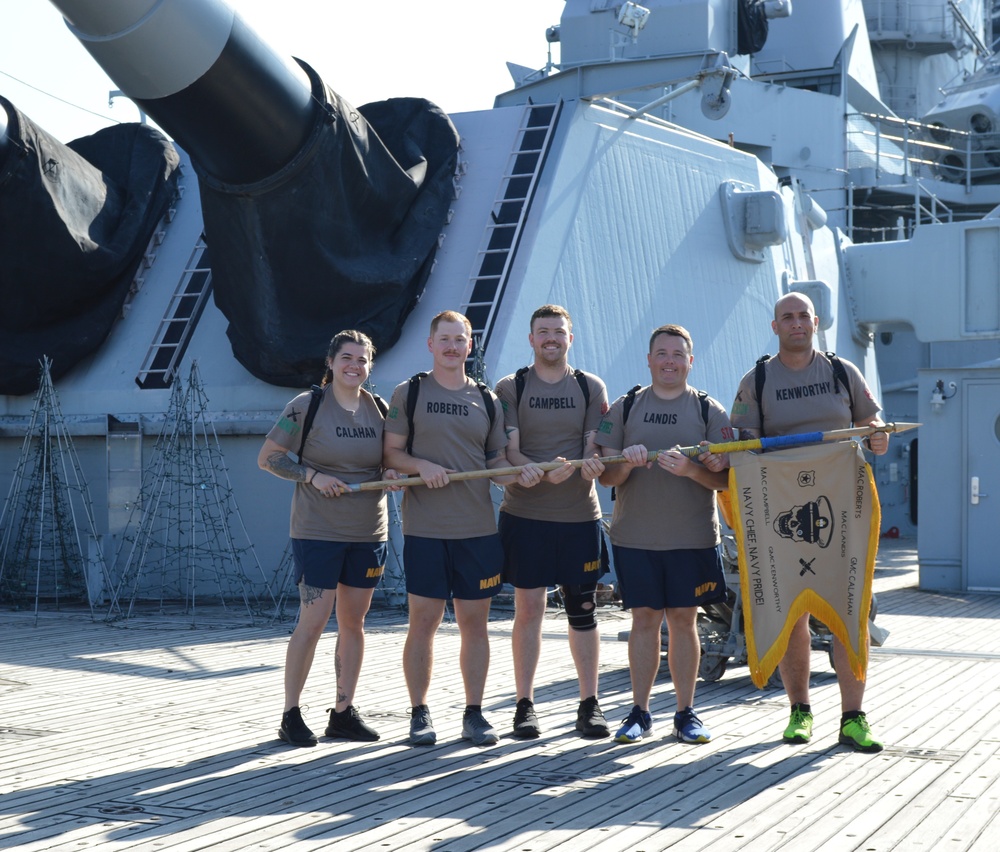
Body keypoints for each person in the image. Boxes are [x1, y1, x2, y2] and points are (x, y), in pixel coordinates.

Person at [730, 292, 889, 753]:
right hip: (782, 508)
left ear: (815, 322)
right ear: (774, 326)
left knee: (849, 608)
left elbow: (871, 421)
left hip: (842, 507)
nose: (796, 323)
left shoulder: (842, 371)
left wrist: (877, 437)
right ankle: (799, 711)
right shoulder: (757, 380)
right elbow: (744, 441)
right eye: (787, 317)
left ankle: (853, 718)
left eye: (803, 316)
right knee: (791, 610)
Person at [383, 310, 542, 746]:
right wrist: (421, 465)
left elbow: (494, 464)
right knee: (424, 622)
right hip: (426, 529)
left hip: (476, 529)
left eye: (461, 340)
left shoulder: (487, 400)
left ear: (470, 346)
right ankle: (419, 714)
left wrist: (519, 476)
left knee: (475, 624)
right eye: (445, 339)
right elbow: (392, 454)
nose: (453, 347)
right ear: (431, 345)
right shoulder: (409, 392)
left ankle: (474, 714)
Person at [258, 330, 397, 747]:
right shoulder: (306, 406)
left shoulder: (381, 409)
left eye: (362, 360)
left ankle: (343, 713)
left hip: (368, 532)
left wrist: (392, 475)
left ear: (370, 367)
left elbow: (390, 464)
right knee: (313, 621)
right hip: (318, 532)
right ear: (332, 362)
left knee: (354, 623)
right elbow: (269, 458)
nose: (355, 366)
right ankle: (290, 714)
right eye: (347, 358)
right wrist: (312, 475)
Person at [595, 324, 731, 745]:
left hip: (691, 538)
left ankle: (686, 713)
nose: (669, 361)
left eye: (678, 354)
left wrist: (692, 468)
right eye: (662, 353)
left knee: (684, 621)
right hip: (636, 536)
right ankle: (639, 713)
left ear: (690, 361)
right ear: (650, 360)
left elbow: (724, 481)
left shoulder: (709, 411)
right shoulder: (626, 406)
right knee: (644, 621)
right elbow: (607, 477)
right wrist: (629, 464)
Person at [494, 305, 610, 738]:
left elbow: (594, 446)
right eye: (543, 331)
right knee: (529, 610)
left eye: (559, 332)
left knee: (584, 610)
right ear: (531, 339)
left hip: (579, 517)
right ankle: (525, 705)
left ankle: (589, 704)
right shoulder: (511, 387)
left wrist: (584, 465)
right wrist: (539, 469)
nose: (551, 338)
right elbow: (509, 452)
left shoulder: (589, 386)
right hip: (526, 516)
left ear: (570, 338)